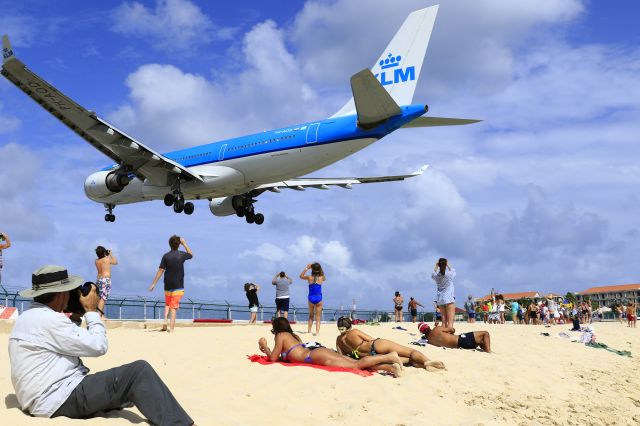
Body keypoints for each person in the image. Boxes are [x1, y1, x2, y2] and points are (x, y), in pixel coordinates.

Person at [9, 265, 193, 424]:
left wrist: (75, 316)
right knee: (138, 372)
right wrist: (91, 311)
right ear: (59, 294)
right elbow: (98, 346)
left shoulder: (27, 319)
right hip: (59, 399)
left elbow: (66, 342)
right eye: (68, 291)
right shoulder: (50, 321)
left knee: (129, 390)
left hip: (38, 399)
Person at [258, 317, 403, 377]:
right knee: (353, 363)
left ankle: (389, 357)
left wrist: (265, 347)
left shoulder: (281, 335)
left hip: (313, 356)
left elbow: (273, 358)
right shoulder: (293, 336)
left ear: (277, 328)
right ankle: (390, 367)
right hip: (317, 352)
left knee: (356, 365)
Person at [335, 317, 445, 370]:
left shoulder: (338, 341)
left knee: (408, 361)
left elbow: (342, 357)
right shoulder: (355, 331)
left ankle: (423, 366)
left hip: (369, 356)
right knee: (410, 352)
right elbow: (371, 339)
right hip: (375, 345)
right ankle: (427, 362)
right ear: (350, 325)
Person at [149, 235, 193, 333]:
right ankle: (171, 329)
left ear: (169, 244)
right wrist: (184, 243)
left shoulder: (166, 256)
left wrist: (153, 283)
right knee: (173, 307)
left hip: (167, 283)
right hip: (178, 284)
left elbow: (161, 270)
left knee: (168, 303)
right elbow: (191, 254)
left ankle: (165, 319)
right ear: (178, 245)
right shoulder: (181, 255)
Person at [418, 322, 491, 353]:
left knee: (481, 342)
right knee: (485, 334)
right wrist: (450, 333)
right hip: (462, 340)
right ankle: (488, 353)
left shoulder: (430, 341)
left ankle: (485, 349)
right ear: (428, 326)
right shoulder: (436, 329)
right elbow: (452, 329)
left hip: (461, 346)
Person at [300, 262, 325, 335]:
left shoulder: (309, 277)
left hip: (311, 297)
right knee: (318, 317)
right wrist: (319, 267)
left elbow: (301, 276)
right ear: (319, 269)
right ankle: (317, 332)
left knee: (311, 315)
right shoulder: (321, 277)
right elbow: (323, 276)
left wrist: (307, 268)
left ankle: (309, 331)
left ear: (312, 269)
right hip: (319, 298)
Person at [94, 246, 118, 318]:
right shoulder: (107, 259)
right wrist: (110, 254)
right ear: (104, 252)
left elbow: (102, 259)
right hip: (105, 280)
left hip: (98, 280)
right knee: (103, 298)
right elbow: (115, 262)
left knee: (100, 298)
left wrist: (105, 254)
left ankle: (102, 315)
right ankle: (98, 315)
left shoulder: (96, 261)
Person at [431, 258, 456, 328]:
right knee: (450, 323)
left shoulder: (436, 276)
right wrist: (447, 264)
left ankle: (443, 337)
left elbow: (433, 274)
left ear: (439, 265)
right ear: (445, 265)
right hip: (449, 299)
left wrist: (436, 266)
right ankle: (449, 337)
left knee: (444, 323)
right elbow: (453, 270)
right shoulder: (449, 275)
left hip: (440, 299)